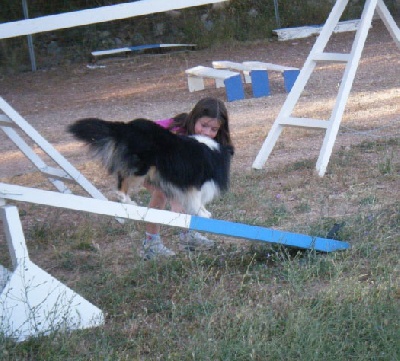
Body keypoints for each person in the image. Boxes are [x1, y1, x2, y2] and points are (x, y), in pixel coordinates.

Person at [141, 97, 233, 260]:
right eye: (203, 125)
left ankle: (187, 235)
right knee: (162, 194)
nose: (207, 132)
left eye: (213, 129)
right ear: (193, 118)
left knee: (194, 191)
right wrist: (174, 199)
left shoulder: (208, 144)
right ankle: (151, 244)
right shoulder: (178, 133)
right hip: (145, 158)